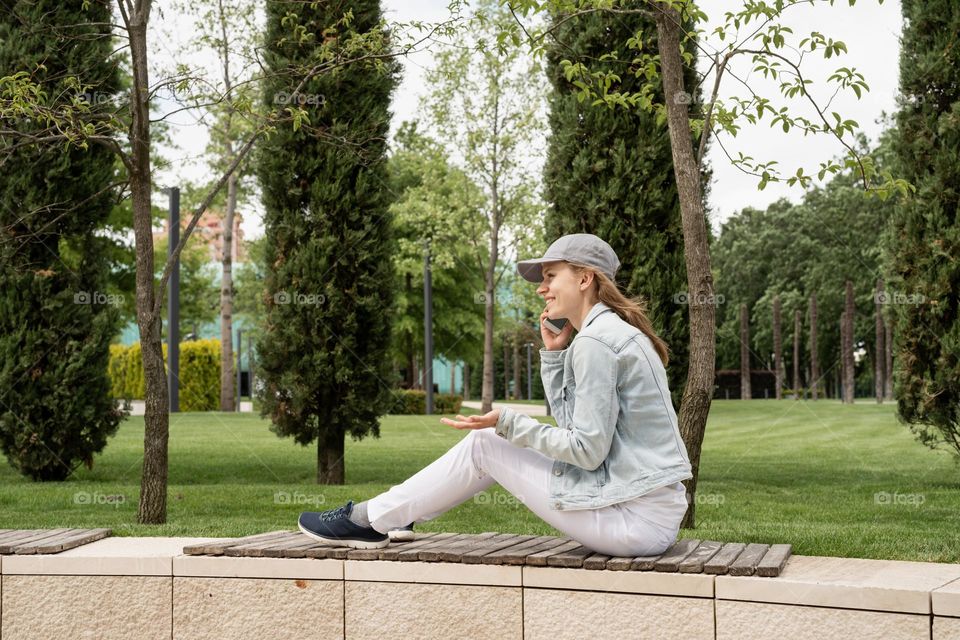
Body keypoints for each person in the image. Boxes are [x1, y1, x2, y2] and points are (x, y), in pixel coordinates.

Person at [298, 233, 693, 557]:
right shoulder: (609, 334)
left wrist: (509, 423)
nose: (541, 288)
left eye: (550, 276)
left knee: (486, 443)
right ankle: (393, 513)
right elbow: (576, 433)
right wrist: (554, 359)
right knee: (488, 440)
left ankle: (369, 520)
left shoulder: (596, 343)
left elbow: (586, 451)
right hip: (640, 511)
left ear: (585, 278)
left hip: (632, 520)